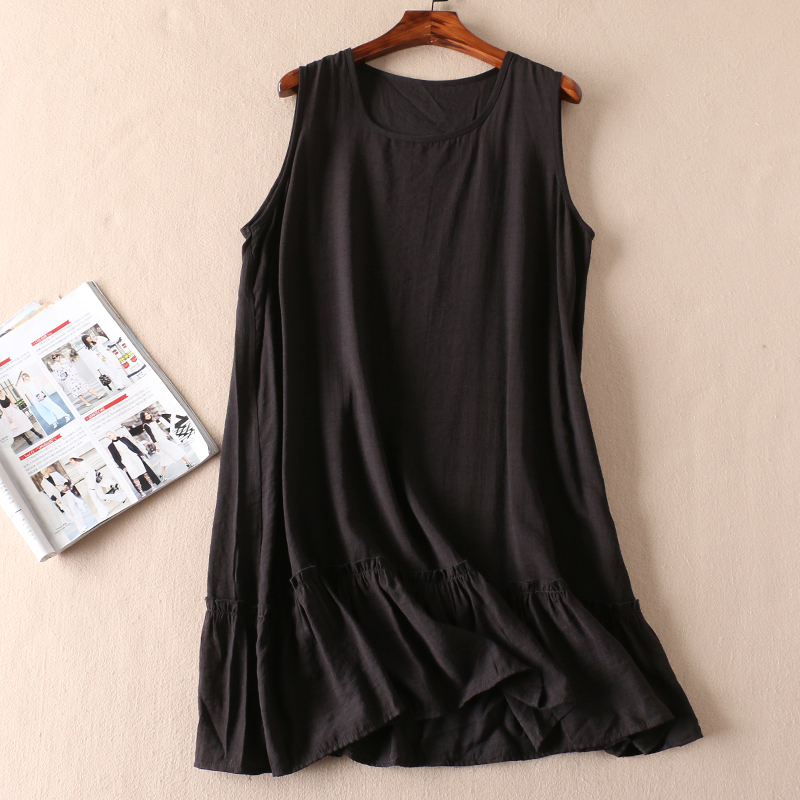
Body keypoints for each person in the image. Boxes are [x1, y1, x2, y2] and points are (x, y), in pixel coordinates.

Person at [104, 429, 161, 496]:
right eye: (107, 436)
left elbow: (133, 446)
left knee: (143, 472)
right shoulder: (111, 447)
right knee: (134, 476)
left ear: (114, 433)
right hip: (125, 460)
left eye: (109, 435)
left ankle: (152, 486)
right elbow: (115, 458)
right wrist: (122, 467)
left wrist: (140, 454)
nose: (109, 437)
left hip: (134, 456)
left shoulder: (124, 439)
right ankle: (141, 492)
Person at [138, 410, 194, 478]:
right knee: (176, 449)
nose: (148, 416)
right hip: (161, 442)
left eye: (148, 414)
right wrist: (157, 446)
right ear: (143, 418)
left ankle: (162, 474)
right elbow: (151, 436)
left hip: (163, 439)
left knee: (165, 457)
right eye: (145, 416)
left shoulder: (153, 422)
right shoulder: (146, 425)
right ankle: (188, 462)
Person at [40, 465, 94, 533]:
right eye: (48, 467)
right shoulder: (43, 483)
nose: (50, 467)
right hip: (60, 499)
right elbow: (49, 493)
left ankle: (81, 527)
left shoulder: (55, 474)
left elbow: (64, 480)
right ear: (45, 469)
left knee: (74, 509)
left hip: (67, 494)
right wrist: (56, 500)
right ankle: (79, 524)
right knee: (69, 513)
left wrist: (65, 486)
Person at [68, 456, 119, 521]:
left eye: (70, 460)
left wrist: (92, 485)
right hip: (90, 483)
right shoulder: (78, 466)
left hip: (93, 483)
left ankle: (104, 512)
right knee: (101, 496)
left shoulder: (83, 463)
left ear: (73, 459)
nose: (71, 462)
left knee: (95, 498)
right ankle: (119, 497)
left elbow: (91, 473)